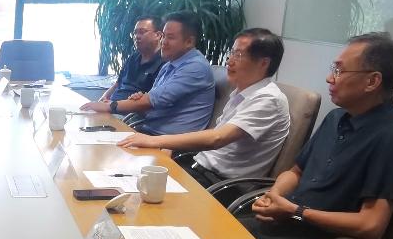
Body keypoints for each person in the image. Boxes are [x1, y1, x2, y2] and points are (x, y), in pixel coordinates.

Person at [243, 32, 393, 239]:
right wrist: (275, 195)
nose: (329, 78)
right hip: (288, 229)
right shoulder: (336, 117)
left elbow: (371, 225)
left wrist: (296, 211)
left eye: (339, 70)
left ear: (372, 81)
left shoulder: (392, 136)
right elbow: (296, 172)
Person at [118, 28, 290, 187]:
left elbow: (218, 138)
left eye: (238, 55)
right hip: (198, 168)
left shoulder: (268, 99)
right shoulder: (242, 92)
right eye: (231, 53)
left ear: (263, 63)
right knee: (126, 174)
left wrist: (154, 140)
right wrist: (171, 146)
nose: (229, 61)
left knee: (140, 189)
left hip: (222, 184)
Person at [81, 11, 215, 134]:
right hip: (148, 131)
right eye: (164, 36)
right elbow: (149, 104)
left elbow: (150, 101)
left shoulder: (196, 67)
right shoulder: (169, 66)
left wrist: (111, 106)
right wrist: (138, 100)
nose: (164, 42)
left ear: (189, 41)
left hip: (167, 141)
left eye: (170, 37)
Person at [95, 15, 164, 105]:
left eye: (142, 32)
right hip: (111, 106)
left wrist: (112, 105)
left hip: (130, 111)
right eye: (135, 33)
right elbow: (118, 84)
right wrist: (103, 98)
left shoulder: (164, 63)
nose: (137, 36)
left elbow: (151, 101)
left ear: (158, 35)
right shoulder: (132, 58)